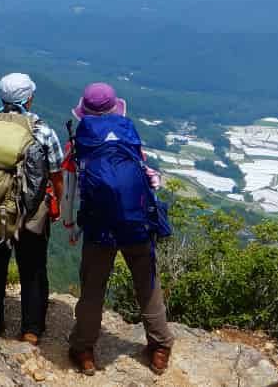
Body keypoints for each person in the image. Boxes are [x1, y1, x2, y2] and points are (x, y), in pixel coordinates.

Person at [64, 82, 173, 376]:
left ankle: (84, 350)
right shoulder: (128, 135)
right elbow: (145, 176)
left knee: (93, 289)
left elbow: (71, 190)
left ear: (83, 112)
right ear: (115, 108)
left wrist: (71, 225)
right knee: (147, 283)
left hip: (99, 227)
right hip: (136, 222)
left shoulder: (78, 143)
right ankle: (160, 347)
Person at [0, 73, 64, 346]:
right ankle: (31, 330)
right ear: (28, 98)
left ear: (2, 97)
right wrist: (57, 202)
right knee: (32, 268)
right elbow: (56, 172)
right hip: (29, 211)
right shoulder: (40, 130)